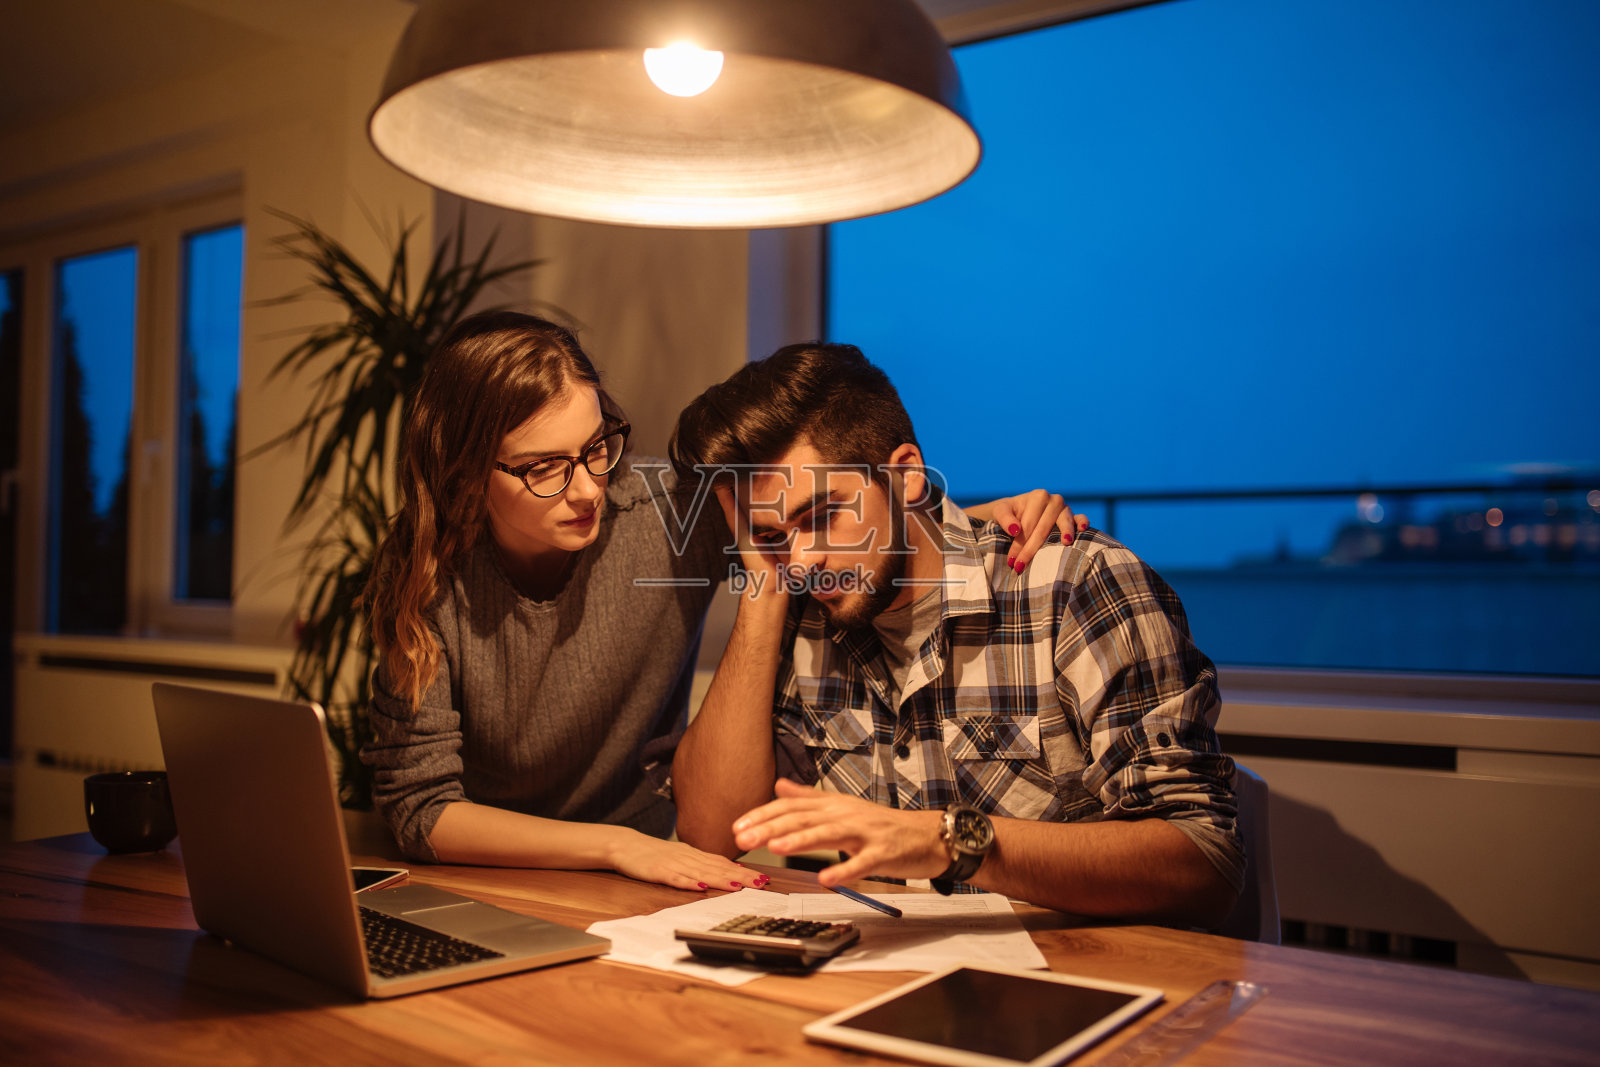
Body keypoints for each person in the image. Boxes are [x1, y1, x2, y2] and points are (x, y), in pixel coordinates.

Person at [360, 311, 1077, 892]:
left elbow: (825, 516)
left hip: (646, 872)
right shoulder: (425, 568)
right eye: (543, 467)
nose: (585, 488)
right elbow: (421, 809)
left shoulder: (657, 514)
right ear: (463, 472)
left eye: (596, 446)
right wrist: (612, 845)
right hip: (492, 873)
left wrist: (980, 518)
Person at [667, 342, 1242, 926]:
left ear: (907, 476)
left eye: (822, 515)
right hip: (889, 974)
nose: (803, 560)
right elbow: (709, 834)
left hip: (1077, 977)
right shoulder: (802, 611)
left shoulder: (1071, 584)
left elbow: (1203, 864)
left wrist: (950, 843)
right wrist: (762, 590)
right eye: (772, 536)